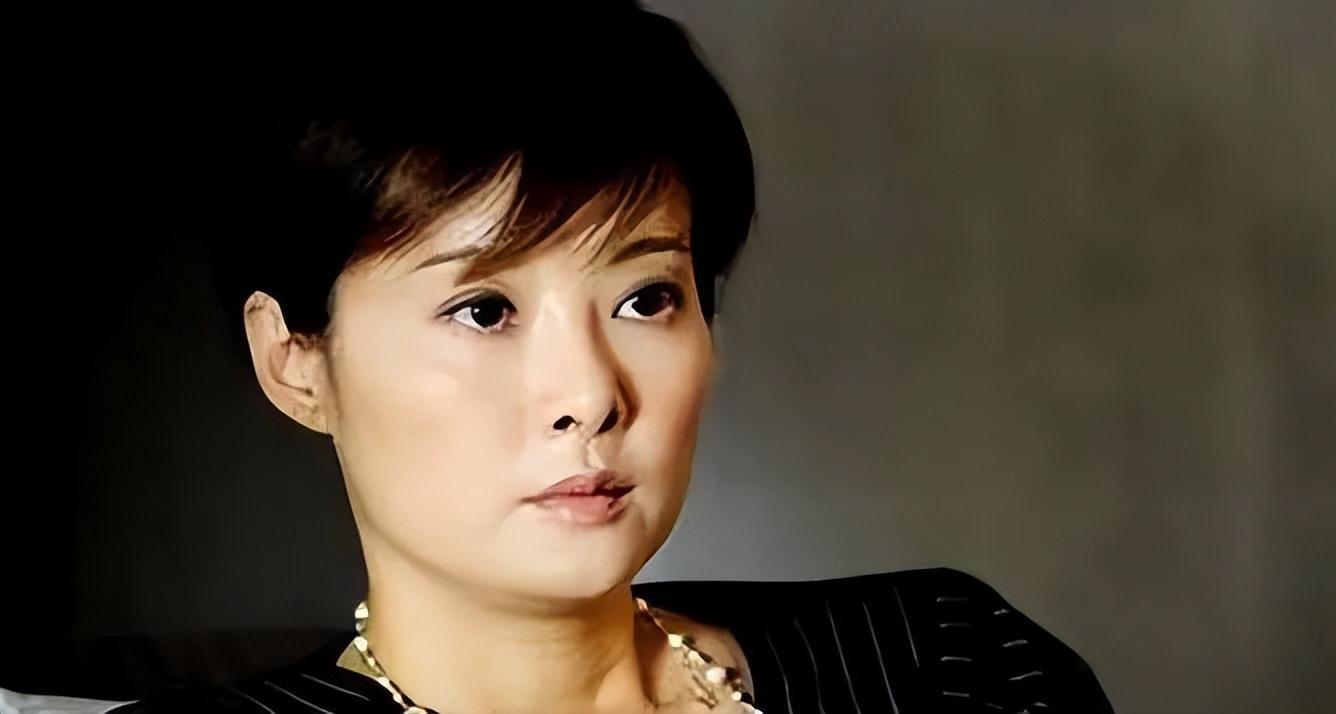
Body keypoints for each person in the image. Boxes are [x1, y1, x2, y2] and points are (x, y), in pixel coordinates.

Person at [110, 3, 1114, 712]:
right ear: (296, 362)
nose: (589, 395)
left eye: (645, 299)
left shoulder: (950, 664)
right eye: (483, 310)